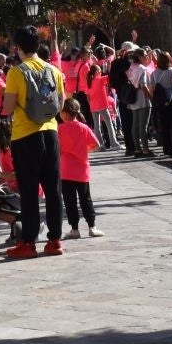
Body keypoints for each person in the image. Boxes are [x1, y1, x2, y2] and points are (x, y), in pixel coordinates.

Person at [0, 26, 65, 259]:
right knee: (53, 189)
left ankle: (28, 242)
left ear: (18, 48)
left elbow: (7, 107)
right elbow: (61, 102)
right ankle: (55, 240)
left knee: (29, 191)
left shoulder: (16, 73)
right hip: (50, 132)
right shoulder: (53, 70)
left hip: (25, 135)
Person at [57, 98, 102, 239]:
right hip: (82, 170)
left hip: (65, 170)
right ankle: (92, 226)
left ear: (64, 113)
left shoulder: (59, 129)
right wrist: (84, 149)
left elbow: (56, 149)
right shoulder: (84, 128)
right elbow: (96, 145)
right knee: (86, 199)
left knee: (70, 201)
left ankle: (74, 229)